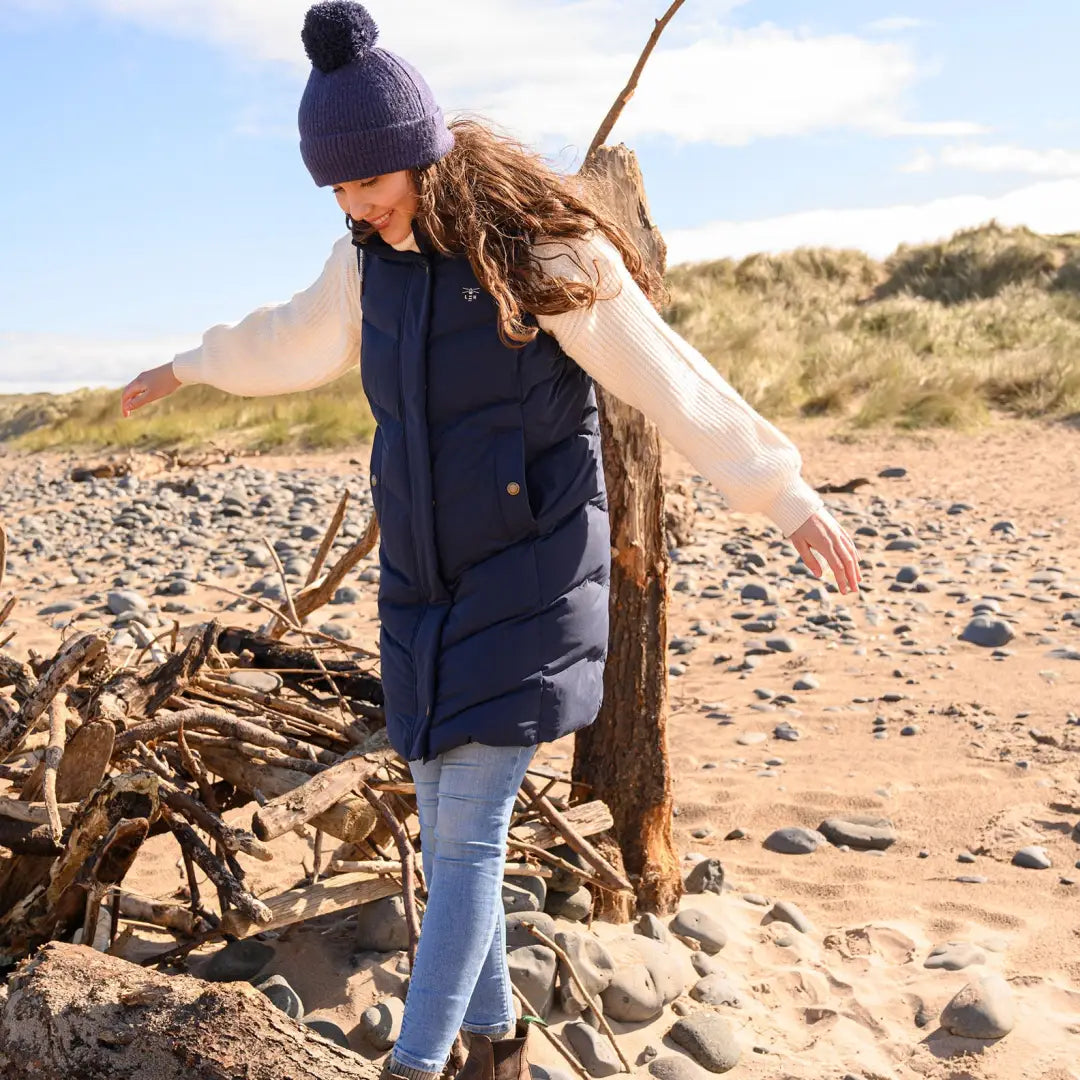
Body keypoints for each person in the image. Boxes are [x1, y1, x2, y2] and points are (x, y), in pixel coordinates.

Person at [121, 3, 863, 1078]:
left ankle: (417, 1067)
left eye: (371, 184)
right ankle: (499, 1046)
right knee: (446, 834)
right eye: (339, 190)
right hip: (426, 583)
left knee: (465, 843)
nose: (357, 206)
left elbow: (667, 376)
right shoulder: (364, 266)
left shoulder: (539, 252)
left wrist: (783, 493)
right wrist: (186, 367)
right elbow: (286, 341)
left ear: (419, 152)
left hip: (532, 573)